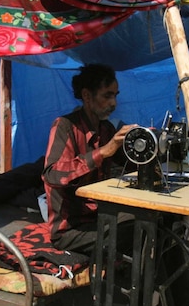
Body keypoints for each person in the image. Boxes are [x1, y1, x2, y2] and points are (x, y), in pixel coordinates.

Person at [42, 63, 134, 252]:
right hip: (70, 230)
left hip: (98, 217)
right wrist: (102, 152)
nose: (114, 104)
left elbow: (128, 164)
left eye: (115, 96)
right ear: (87, 96)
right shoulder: (64, 126)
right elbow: (52, 175)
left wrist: (142, 146)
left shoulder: (106, 129)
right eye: (107, 96)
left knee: (152, 219)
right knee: (139, 232)